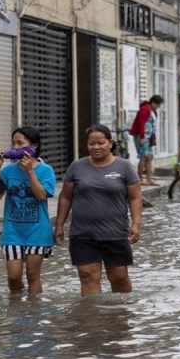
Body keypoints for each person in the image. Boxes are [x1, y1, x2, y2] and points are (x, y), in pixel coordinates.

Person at [54, 125, 142, 297]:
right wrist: (59, 225)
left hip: (115, 233)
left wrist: (136, 224)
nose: (96, 147)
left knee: (119, 277)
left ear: (110, 143)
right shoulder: (77, 167)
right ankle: (92, 319)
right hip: (83, 233)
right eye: (91, 143)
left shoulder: (124, 167)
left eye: (100, 143)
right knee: (87, 276)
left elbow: (135, 197)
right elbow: (65, 197)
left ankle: (120, 316)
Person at [0, 127, 56, 295]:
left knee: (33, 275)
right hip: (13, 232)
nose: (15, 147)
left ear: (33, 146)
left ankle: (34, 313)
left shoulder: (46, 170)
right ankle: (17, 308)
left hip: (38, 232)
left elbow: (41, 196)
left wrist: (30, 172)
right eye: (13, 144)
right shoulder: (8, 171)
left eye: (20, 143)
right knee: (13, 277)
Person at [129, 95, 163, 186]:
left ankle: (149, 179)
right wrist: (142, 137)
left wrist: (153, 138)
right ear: (153, 102)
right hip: (142, 136)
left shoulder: (153, 111)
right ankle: (139, 179)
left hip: (149, 136)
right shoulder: (145, 109)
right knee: (143, 157)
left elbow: (153, 126)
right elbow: (141, 123)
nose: (158, 107)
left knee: (150, 157)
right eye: (157, 104)